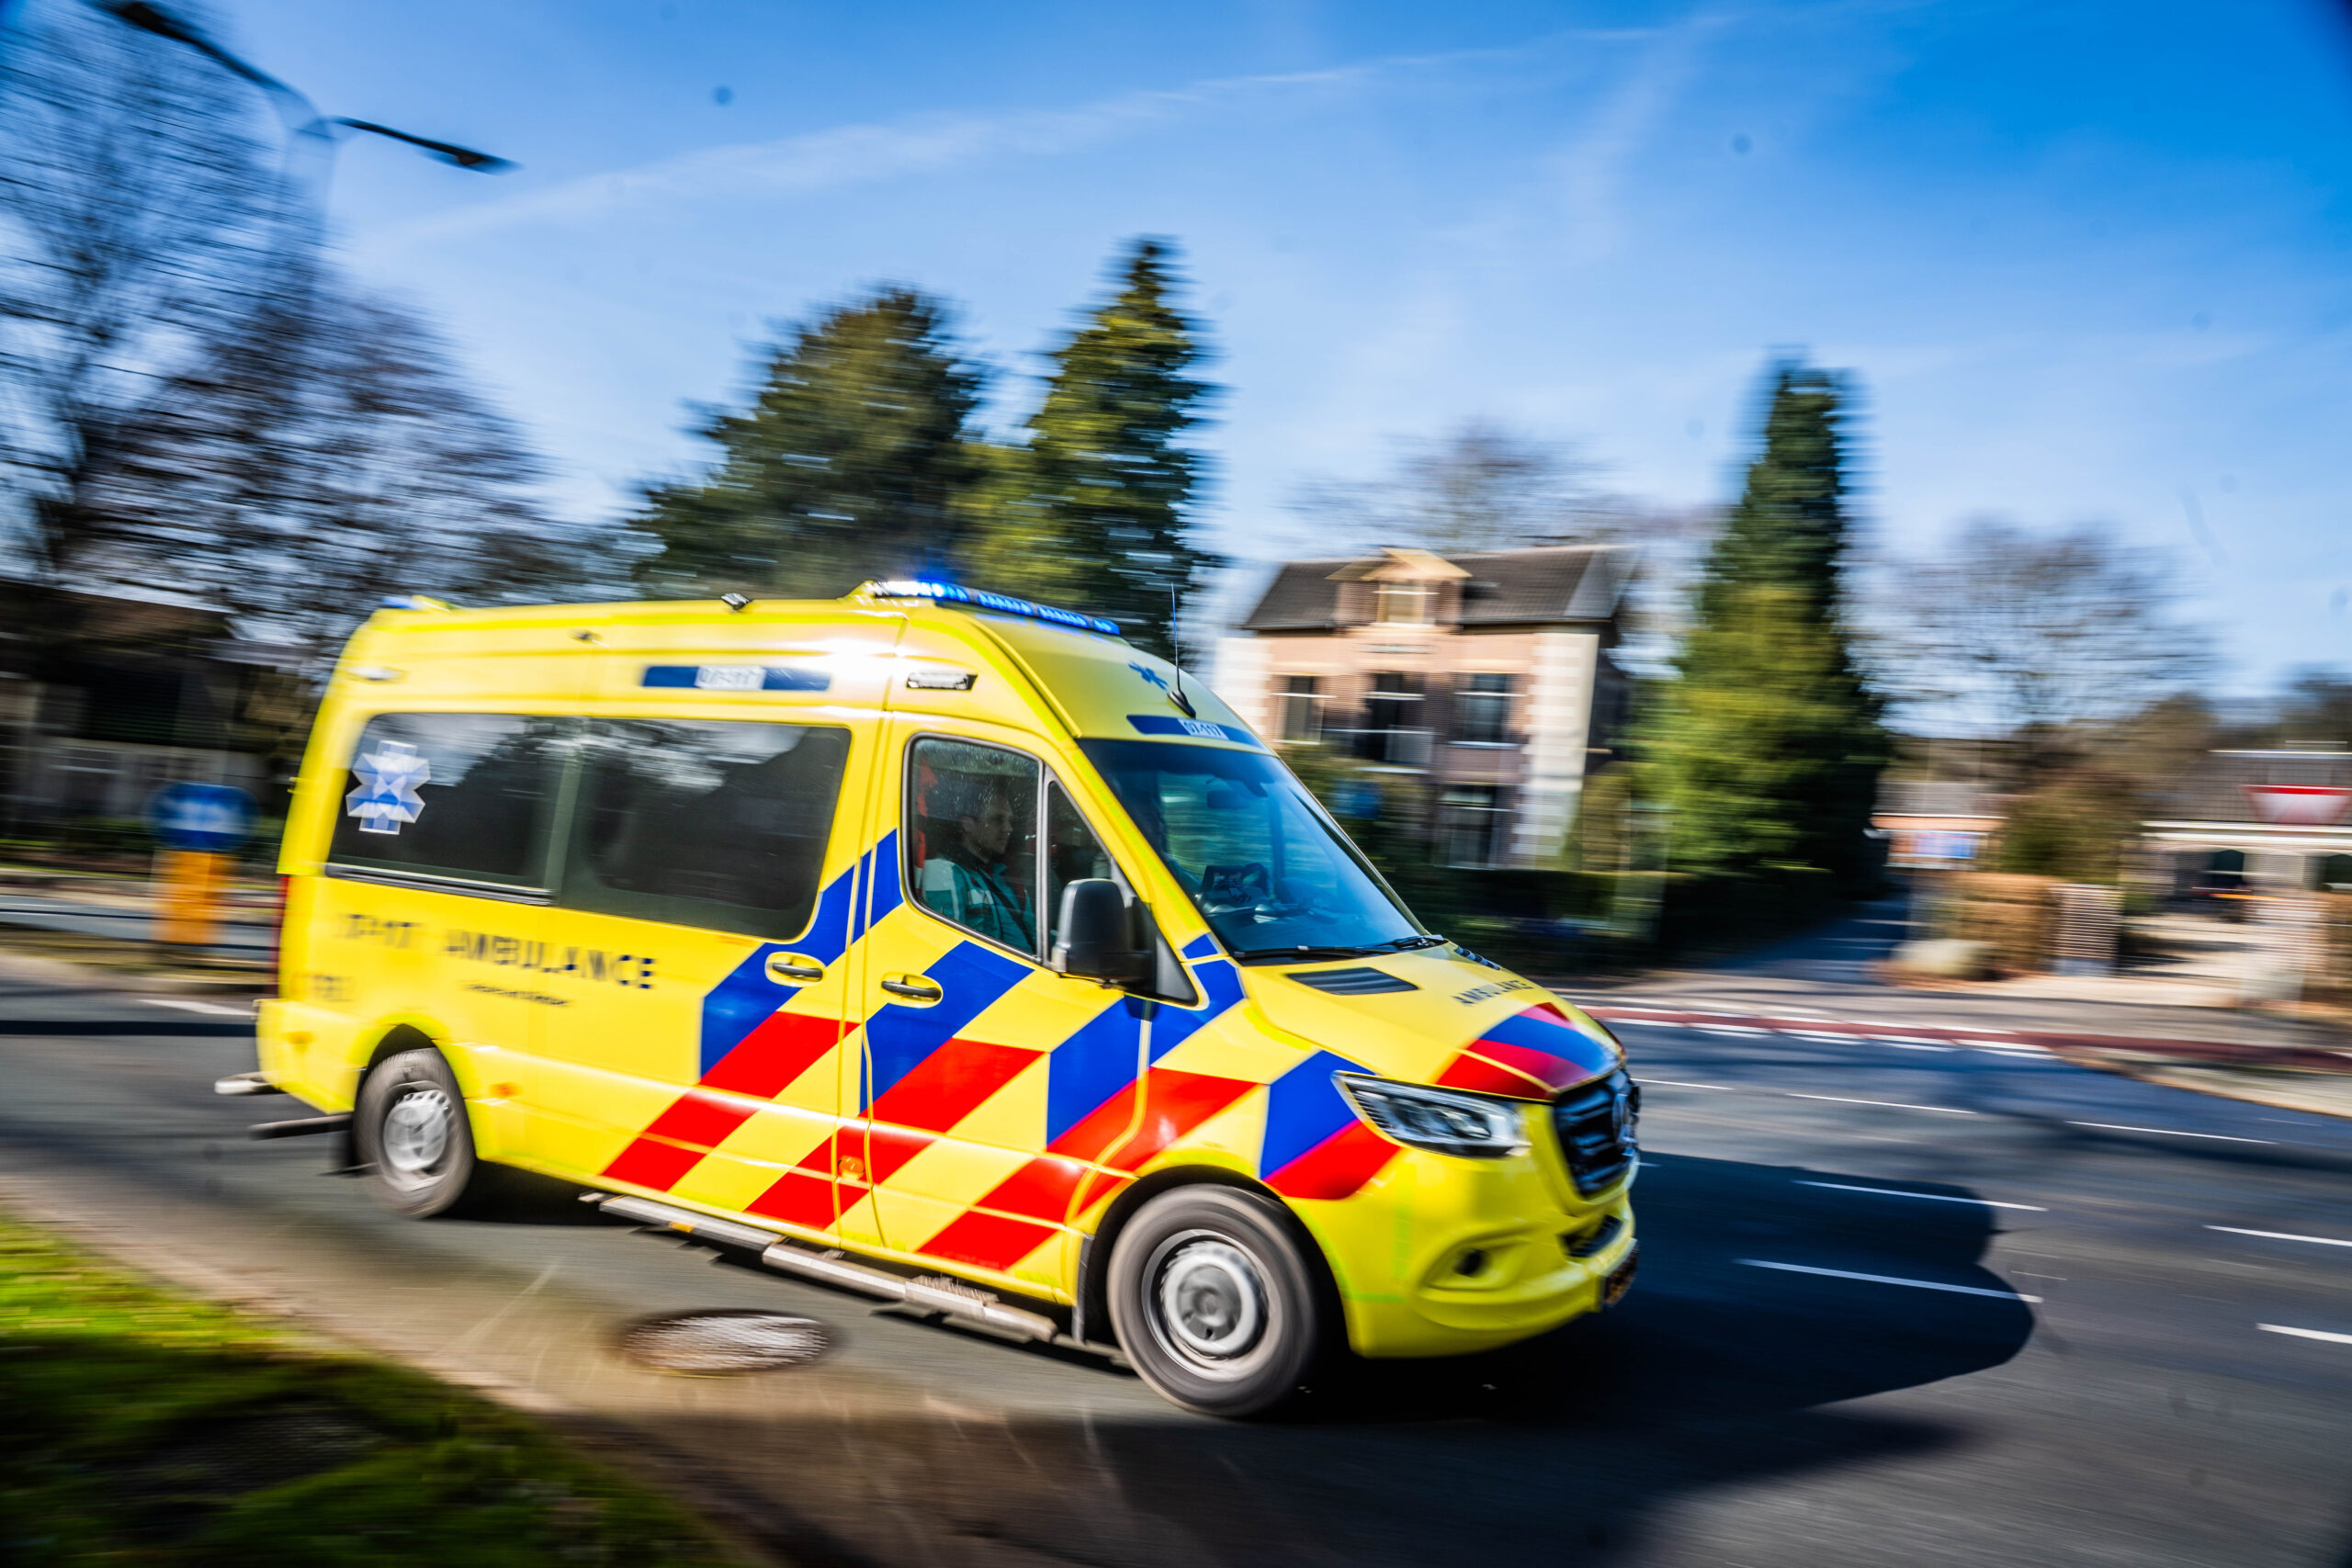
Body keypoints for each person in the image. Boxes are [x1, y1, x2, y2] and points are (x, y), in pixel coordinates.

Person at [921, 770, 1035, 951]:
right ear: (968, 824)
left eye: (1010, 821)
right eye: (997, 820)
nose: (1008, 828)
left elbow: (1034, 936)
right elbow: (950, 952)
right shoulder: (945, 873)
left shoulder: (1007, 876)